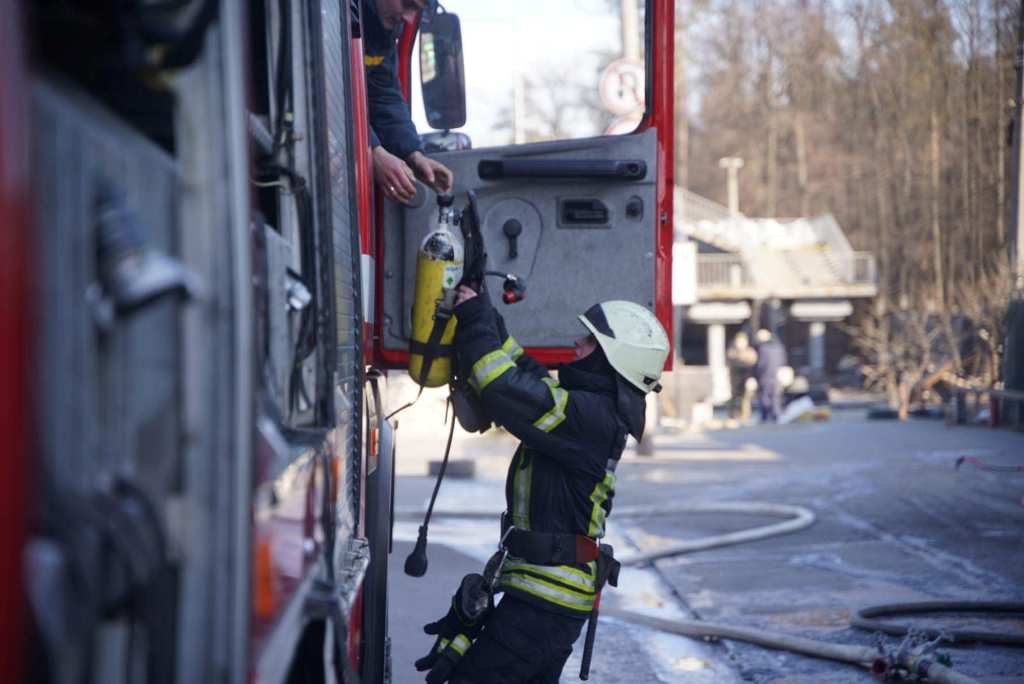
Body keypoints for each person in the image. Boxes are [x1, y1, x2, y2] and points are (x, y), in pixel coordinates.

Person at [414, 286, 670, 684]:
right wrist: (486, 314)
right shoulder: (586, 406)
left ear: (610, 358)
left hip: (545, 602)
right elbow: (524, 372)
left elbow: (500, 387)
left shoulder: (589, 417)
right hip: (542, 595)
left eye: (589, 340)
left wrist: (476, 319)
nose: (576, 343)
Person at [363, 0, 454, 204]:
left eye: (417, 10)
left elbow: (384, 96)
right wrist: (371, 151)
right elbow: (325, 93)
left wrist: (414, 155)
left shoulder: (382, 33)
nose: (409, 18)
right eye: (407, 4)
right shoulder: (332, 13)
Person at [754, 328, 786, 423]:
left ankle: (765, 415)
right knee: (776, 395)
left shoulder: (763, 348)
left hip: (766, 375)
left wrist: (756, 374)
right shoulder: (779, 346)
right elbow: (783, 360)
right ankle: (776, 414)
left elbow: (761, 364)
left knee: (765, 396)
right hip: (777, 375)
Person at [726, 331, 757, 422]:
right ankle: (732, 415)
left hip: (746, 378)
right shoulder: (732, 351)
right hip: (735, 379)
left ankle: (745, 416)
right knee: (733, 397)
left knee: (746, 397)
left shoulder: (750, 351)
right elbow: (730, 360)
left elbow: (753, 361)